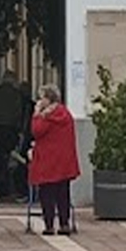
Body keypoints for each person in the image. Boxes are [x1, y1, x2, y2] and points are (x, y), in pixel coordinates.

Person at [28, 84, 80, 236]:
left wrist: (36, 114)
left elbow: (36, 131)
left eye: (42, 97)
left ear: (48, 99)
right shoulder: (65, 114)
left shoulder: (46, 117)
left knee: (47, 194)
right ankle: (64, 223)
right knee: (63, 193)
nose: (39, 101)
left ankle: (49, 225)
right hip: (64, 161)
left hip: (48, 160)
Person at [0, 71, 25, 199]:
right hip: (11, 130)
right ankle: (9, 187)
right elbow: (19, 112)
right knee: (11, 159)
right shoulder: (16, 95)